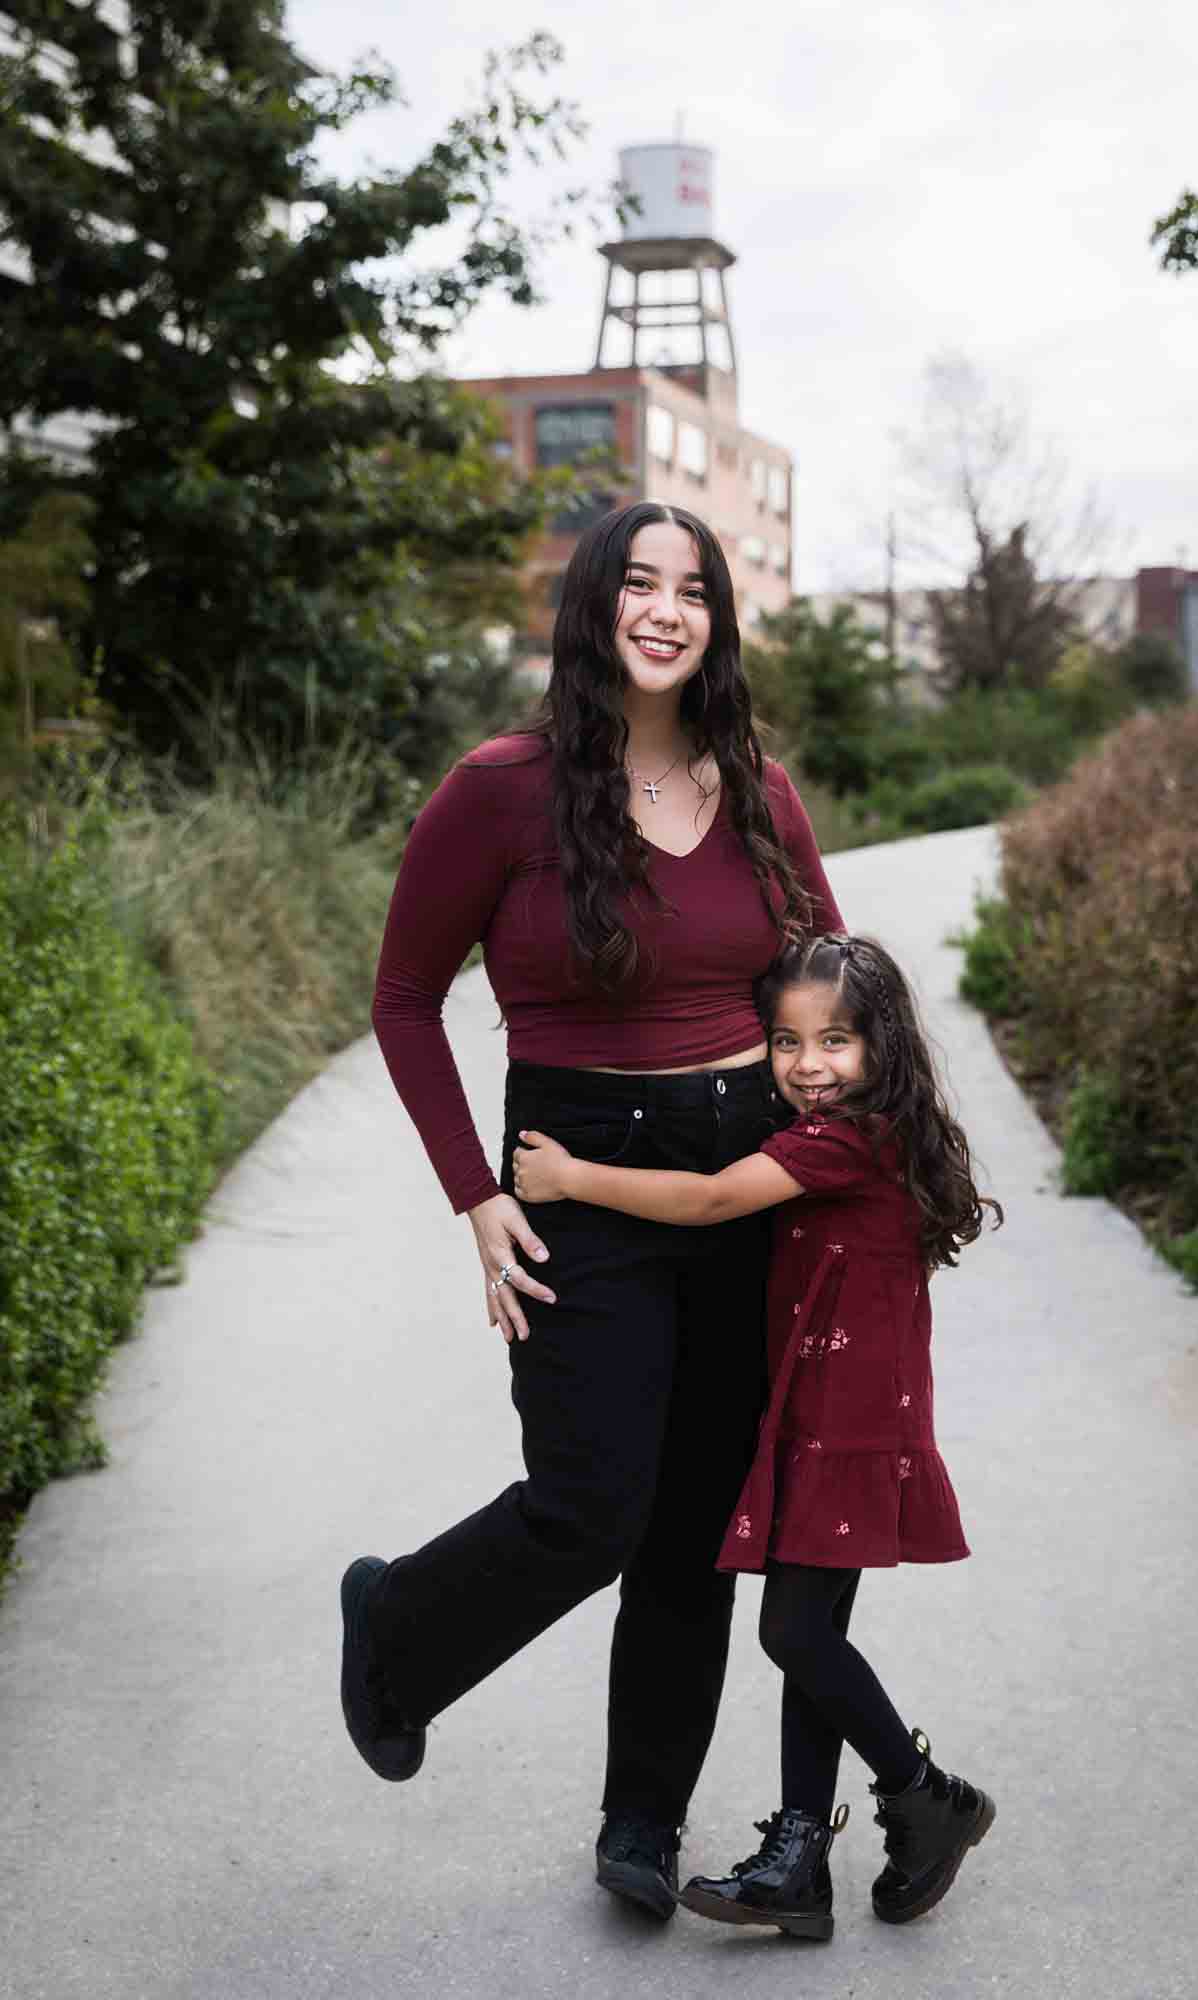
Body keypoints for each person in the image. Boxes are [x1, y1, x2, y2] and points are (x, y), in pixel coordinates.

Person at [339, 500, 843, 1923]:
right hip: (576, 1164)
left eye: (694, 588)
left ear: (718, 620)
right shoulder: (500, 788)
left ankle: (641, 1823)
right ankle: (393, 1623)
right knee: (590, 1501)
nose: (667, 609)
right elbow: (400, 998)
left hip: (744, 1167)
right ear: (592, 607)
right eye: (639, 582)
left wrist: (845, 1165)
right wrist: (474, 1193)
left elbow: (831, 987)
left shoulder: (757, 786)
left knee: (693, 1524)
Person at [513, 931, 1001, 1943]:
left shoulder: (848, 1135)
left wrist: (569, 1175)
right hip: (814, 1414)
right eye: (784, 1039)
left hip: (847, 1423)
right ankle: (798, 1860)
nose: (807, 1063)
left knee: (794, 1631)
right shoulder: (847, 1121)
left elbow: (711, 1197)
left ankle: (926, 1793)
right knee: (808, 1633)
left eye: (835, 1039)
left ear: (885, 1046)